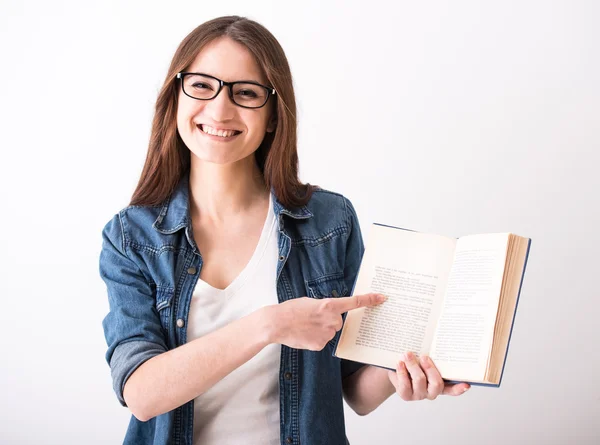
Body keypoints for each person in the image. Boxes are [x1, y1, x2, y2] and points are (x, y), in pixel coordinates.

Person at [99, 15, 470, 445]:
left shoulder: (330, 221)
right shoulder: (132, 237)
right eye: (201, 85)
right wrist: (268, 325)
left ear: (274, 115)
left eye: (246, 93)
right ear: (176, 97)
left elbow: (355, 390)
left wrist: (398, 371)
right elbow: (141, 393)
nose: (220, 109)